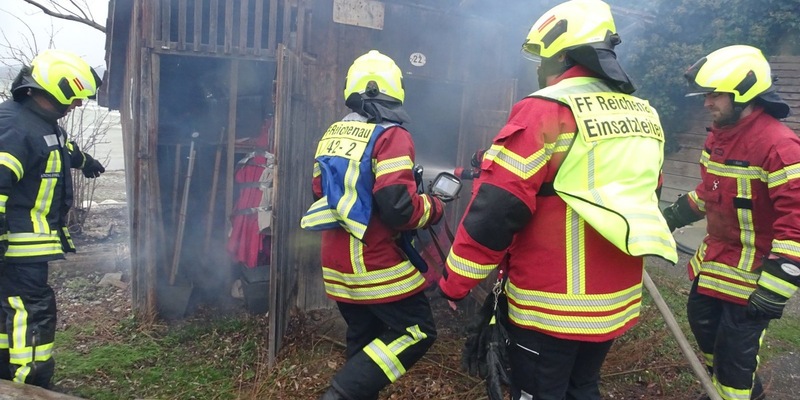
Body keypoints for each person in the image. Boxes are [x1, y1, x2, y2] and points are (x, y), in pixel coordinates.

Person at [436, 0, 678, 398]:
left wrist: (455, 284)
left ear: (562, 54)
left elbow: (497, 208)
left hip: (551, 306)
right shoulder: (645, 116)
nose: (537, 68)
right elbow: (646, 192)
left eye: (541, 57)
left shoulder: (544, 109)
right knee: (582, 388)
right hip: (615, 303)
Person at [300, 50, 445, 400]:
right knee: (417, 331)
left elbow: (319, 190)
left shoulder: (332, 134)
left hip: (337, 266)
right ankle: (339, 394)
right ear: (394, 90)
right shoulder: (391, 135)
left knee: (365, 338)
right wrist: (433, 207)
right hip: (375, 264)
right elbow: (398, 208)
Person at [662, 44, 798, 400]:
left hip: (755, 274)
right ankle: (726, 385)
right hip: (717, 261)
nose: (707, 103)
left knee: (737, 354)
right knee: (702, 320)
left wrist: (774, 289)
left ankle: (732, 392)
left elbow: (796, 223)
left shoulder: (780, 147)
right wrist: (670, 218)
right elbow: (710, 193)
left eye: (715, 95)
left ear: (745, 92)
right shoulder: (718, 137)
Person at [0, 49, 105, 388]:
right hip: (16, 247)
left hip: (25, 247)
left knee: (13, 313)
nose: (76, 104)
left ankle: (6, 377)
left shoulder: (39, 124)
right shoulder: (15, 128)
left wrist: (84, 160)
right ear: (53, 89)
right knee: (32, 313)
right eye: (73, 98)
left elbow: (59, 148)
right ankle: (30, 387)